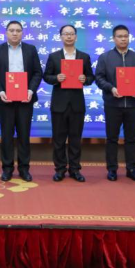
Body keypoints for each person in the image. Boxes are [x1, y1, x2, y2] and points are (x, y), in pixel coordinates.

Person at [0, 20, 43, 182]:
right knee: (7, 135)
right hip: (5, 100)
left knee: (24, 135)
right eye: (11, 30)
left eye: (18, 30)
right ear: (6, 32)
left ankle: (24, 169)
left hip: (26, 100)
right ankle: (7, 168)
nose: (15, 33)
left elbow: (37, 73)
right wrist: (0, 92)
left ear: (22, 33)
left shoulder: (31, 50)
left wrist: (30, 91)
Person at [95, 24, 135, 182]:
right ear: (113, 38)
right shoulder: (105, 57)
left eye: (125, 36)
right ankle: (112, 169)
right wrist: (111, 88)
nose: (123, 39)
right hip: (113, 104)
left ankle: (131, 169)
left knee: (131, 139)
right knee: (112, 138)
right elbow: (99, 78)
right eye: (119, 36)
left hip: (132, 105)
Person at [43, 24, 94, 182]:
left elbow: (91, 77)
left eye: (72, 34)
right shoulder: (54, 57)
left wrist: (85, 79)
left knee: (75, 139)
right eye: (66, 34)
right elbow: (46, 76)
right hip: (59, 104)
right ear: (61, 37)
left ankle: (75, 169)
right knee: (58, 139)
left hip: (77, 104)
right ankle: (59, 169)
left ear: (76, 37)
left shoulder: (84, 57)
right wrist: (56, 78)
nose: (69, 36)